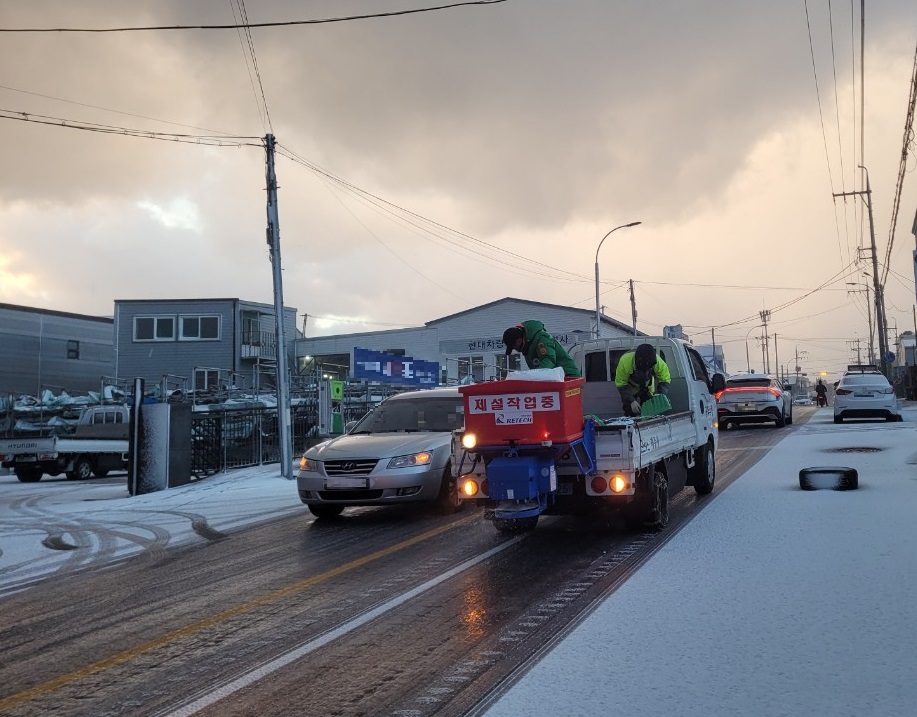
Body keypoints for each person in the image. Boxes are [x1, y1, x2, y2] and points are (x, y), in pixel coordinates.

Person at [502, 321, 581, 377]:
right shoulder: (527, 346)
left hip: (568, 376)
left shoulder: (541, 339)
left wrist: (536, 377)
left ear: (519, 340)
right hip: (556, 378)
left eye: (514, 346)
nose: (515, 349)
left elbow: (548, 360)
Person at [615, 343, 671, 417]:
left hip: (648, 387)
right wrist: (631, 401)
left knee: (650, 411)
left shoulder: (658, 362)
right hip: (630, 388)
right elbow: (621, 384)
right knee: (630, 409)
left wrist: (660, 393)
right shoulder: (625, 361)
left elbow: (665, 379)